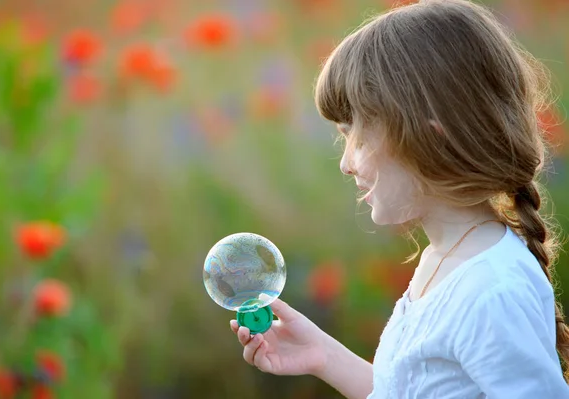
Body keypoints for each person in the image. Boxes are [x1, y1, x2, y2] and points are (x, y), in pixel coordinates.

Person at [230, 0, 569, 398]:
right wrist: (322, 355)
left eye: (355, 135)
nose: (345, 163)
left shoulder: (492, 290)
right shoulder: (447, 259)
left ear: (430, 138)